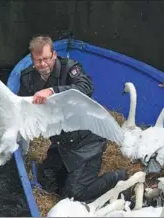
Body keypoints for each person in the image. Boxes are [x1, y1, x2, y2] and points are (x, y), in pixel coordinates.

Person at [18, 35, 128, 203]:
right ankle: (71, 176)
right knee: (46, 181)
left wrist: (52, 91)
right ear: (32, 60)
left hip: (86, 141)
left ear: (54, 55)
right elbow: (21, 107)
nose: (43, 64)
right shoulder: (27, 78)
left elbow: (86, 87)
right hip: (61, 141)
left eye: (47, 59)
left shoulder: (69, 69)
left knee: (75, 195)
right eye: (38, 60)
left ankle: (118, 178)